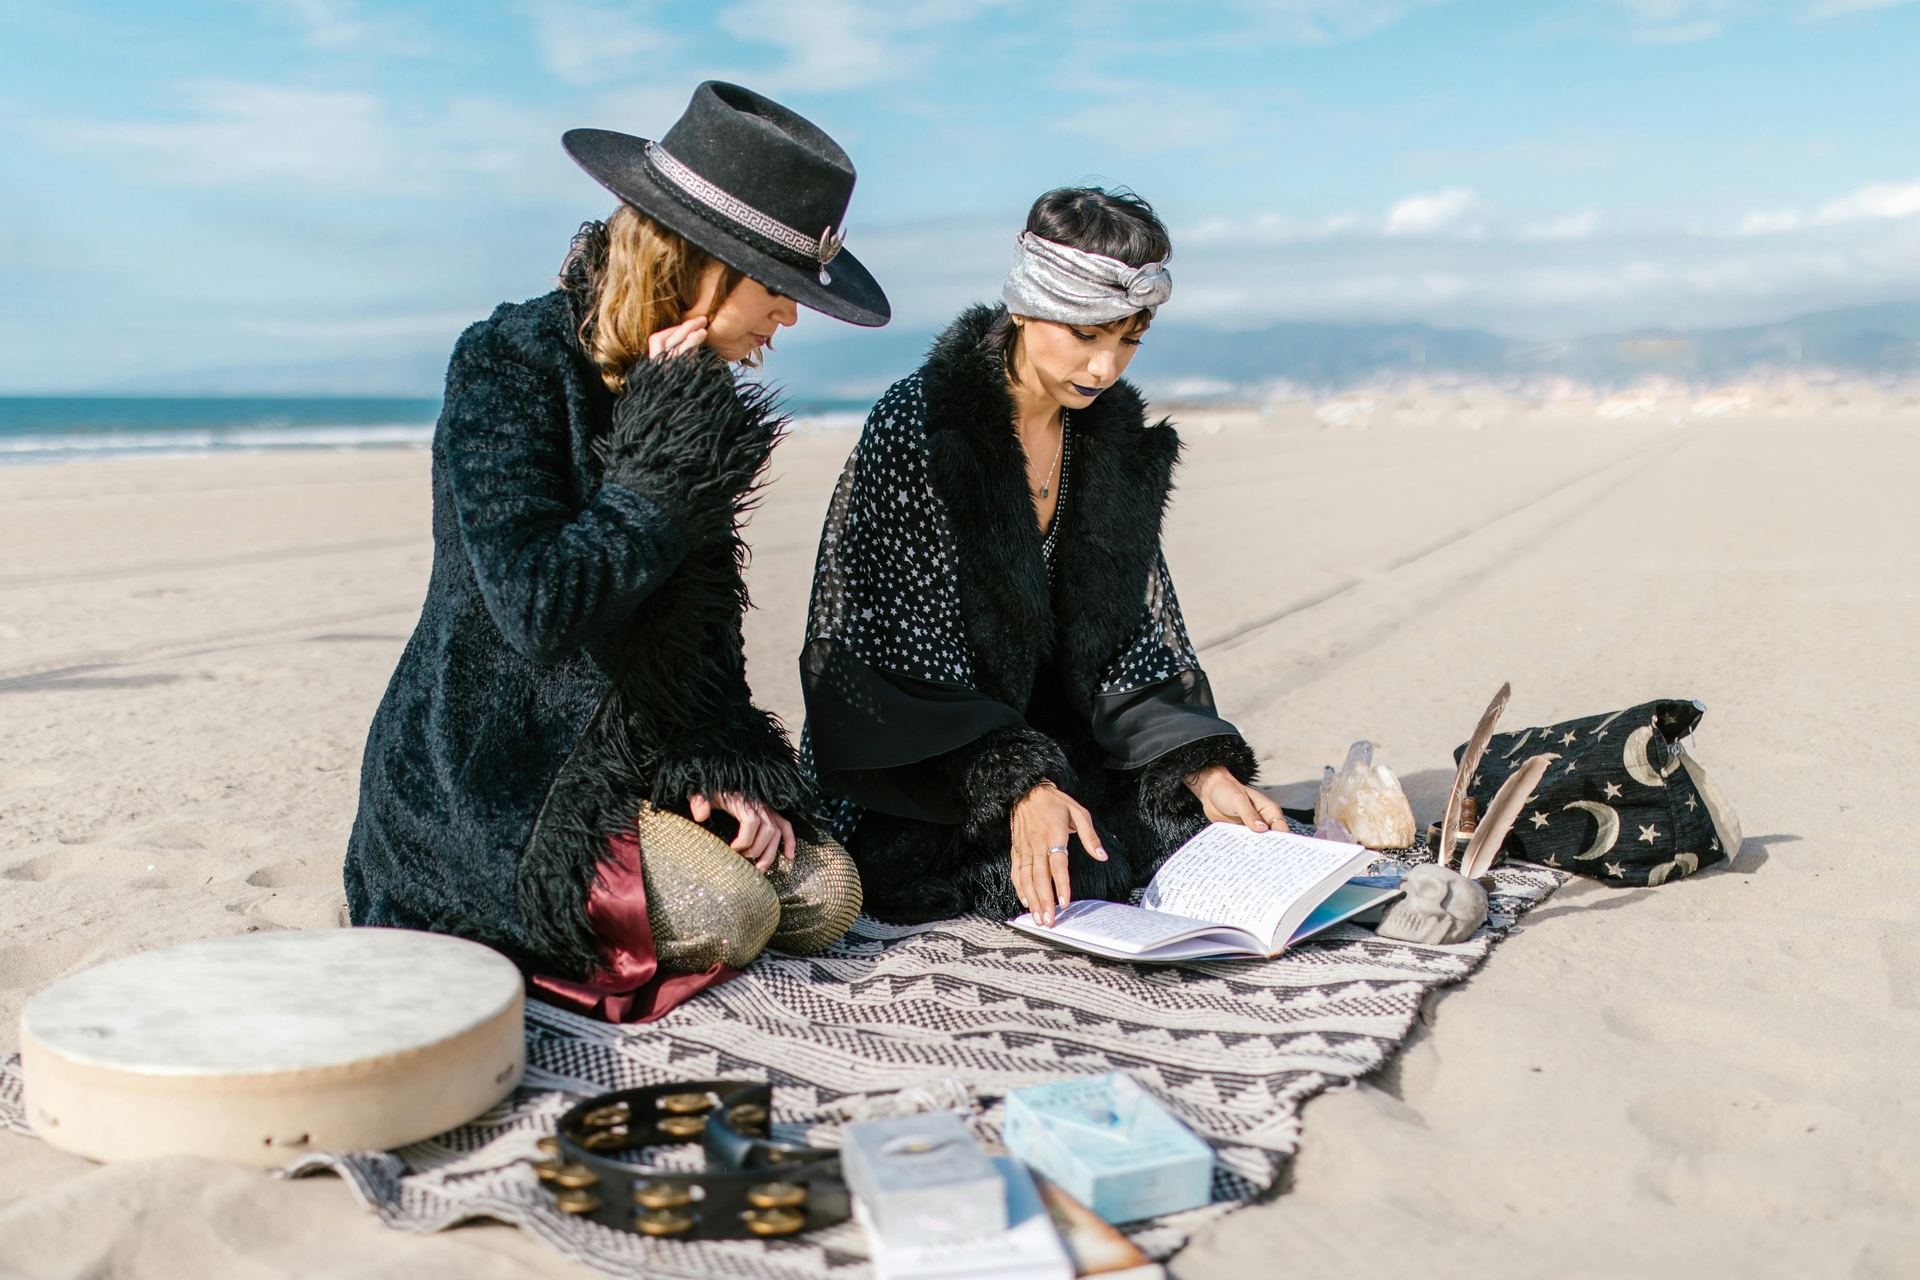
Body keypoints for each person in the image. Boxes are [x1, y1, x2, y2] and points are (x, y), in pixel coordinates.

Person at [345, 82, 888, 1022]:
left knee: (826, 892)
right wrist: (664, 454)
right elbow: (539, 607)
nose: (789, 320)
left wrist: (718, 768)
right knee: (733, 906)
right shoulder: (509, 362)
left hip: (637, 753)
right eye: (777, 289)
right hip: (498, 775)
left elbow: (695, 636)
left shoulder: (693, 389)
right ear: (701, 262)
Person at [798, 187, 1281, 930]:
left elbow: (1130, 634)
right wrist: (1018, 783)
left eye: (1128, 340)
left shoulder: (1111, 442)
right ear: (1024, 305)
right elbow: (894, 644)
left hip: (1063, 733)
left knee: (1205, 833)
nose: (1105, 366)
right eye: (1086, 334)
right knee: (1080, 868)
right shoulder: (923, 427)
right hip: (929, 757)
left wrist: (1199, 765)